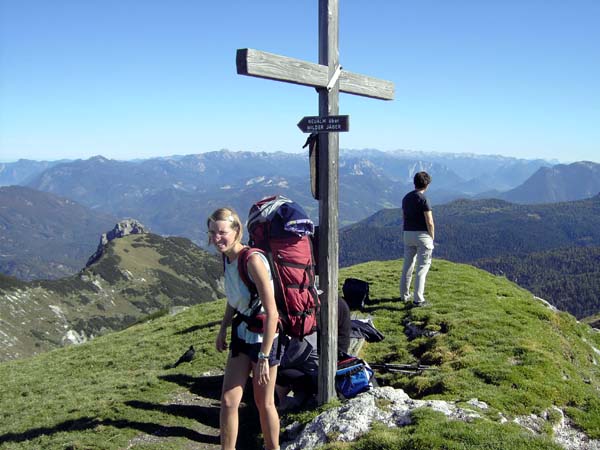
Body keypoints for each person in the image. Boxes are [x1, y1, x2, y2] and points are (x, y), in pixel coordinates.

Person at [208, 207, 280, 450]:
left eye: (222, 232)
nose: (217, 238)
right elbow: (234, 298)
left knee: (264, 402)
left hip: (264, 338)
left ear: (236, 231)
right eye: (212, 233)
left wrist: (264, 356)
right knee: (228, 401)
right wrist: (222, 329)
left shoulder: (253, 260)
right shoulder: (228, 259)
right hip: (242, 334)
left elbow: (272, 312)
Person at [400, 171, 435, 306]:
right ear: (426, 184)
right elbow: (429, 221)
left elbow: (404, 217)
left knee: (407, 266)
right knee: (421, 268)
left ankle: (404, 295)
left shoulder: (406, 198)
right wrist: (431, 236)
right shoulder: (424, 199)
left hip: (408, 234)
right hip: (422, 236)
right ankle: (418, 299)